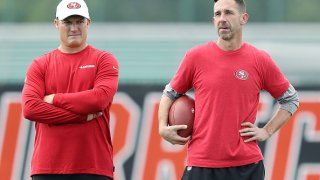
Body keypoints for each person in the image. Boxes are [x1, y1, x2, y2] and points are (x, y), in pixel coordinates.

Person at [158, 0, 299, 179]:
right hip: (201, 164)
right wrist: (162, 127)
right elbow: (170, 93)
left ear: (243, 18)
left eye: (228, 13)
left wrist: (266, 131)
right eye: (217, 14)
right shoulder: (195, 56)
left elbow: (291, 100)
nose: (222, 19)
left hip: (247, 166)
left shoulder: (260, 60)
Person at [21, 0, 119, 180]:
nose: (74, 28)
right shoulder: (40, 65)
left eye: (79, 21)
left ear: (88, 23)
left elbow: (98, 100)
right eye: (68, 22)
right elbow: (30, 108)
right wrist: (81, 117)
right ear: (56, 24)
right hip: (48, 168)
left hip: (93, 166)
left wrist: (54, 99)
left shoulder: (104, 60)